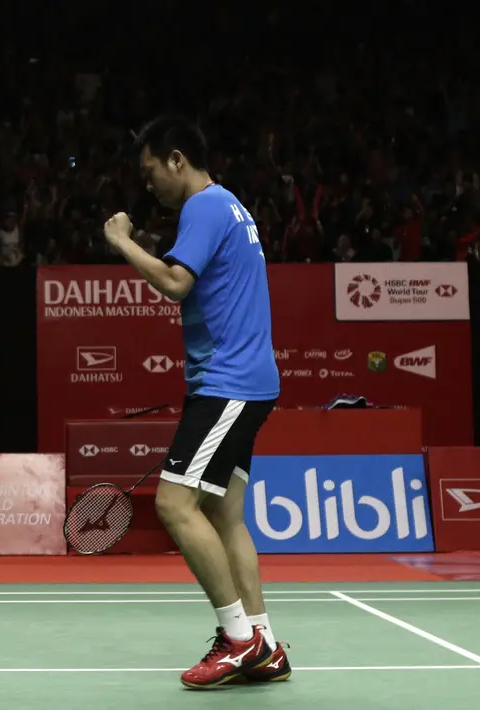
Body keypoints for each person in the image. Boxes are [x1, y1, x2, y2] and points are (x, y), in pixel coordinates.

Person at [103, 115, 289, 689]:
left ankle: (239, 640)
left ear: (177, 159)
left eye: (151, 170)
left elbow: (178, 283)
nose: (149, 182)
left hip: (227, 382)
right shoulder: (234, 206)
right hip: (250, 381)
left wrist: (121, 242)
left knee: (174, 505)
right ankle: (266, 643)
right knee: (224, 514)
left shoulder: (205, 206)